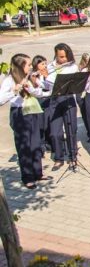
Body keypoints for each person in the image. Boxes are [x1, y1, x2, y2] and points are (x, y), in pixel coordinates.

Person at [0, 54, 50, 189]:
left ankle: (38, 173)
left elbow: (37, 93)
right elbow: (1, 99)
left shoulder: (29, 78)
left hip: (33, 111)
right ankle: (27, 177)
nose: (31, 67)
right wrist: (14, 90)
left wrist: (44, 84)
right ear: (21, 66)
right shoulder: (10, 80)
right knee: (24, 146)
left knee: (35, 143)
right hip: (20, 114)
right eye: (28, 65)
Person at [46, 43, 79, 171]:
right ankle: (59, 158)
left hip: (69, 100)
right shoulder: (49, 67)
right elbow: (47, 85)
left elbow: (75, 83)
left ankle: (72, 157)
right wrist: (43, 76)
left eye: (65, 57)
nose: (64, 59)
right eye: (61, 57)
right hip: (55, 101)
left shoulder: (73, 66)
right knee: (55, 133)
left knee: (71, 130)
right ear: (56, 55)